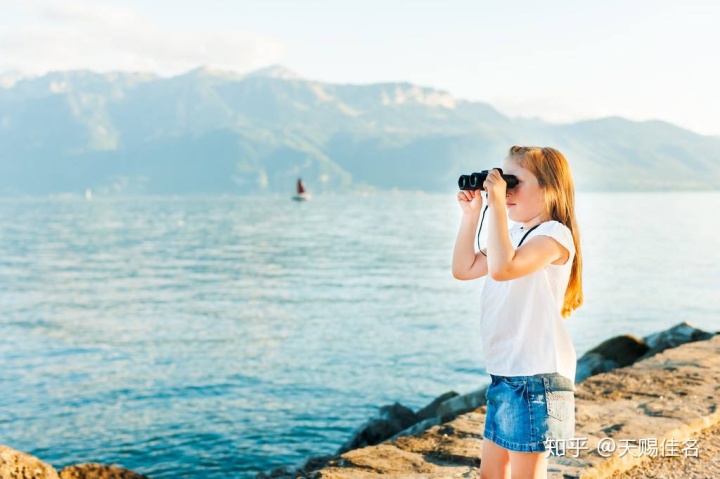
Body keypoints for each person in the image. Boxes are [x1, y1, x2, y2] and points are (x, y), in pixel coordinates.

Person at [452, 145, 583, 479]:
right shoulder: (513, 234)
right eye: (502, 182)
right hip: (506, 373)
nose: (506, 191)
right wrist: (472, 216)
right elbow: (464, 268)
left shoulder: (554, 235)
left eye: (513, 183)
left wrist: (496, 204)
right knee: (490, 475)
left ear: (549, 189)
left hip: (535, 376)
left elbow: (503, 269)